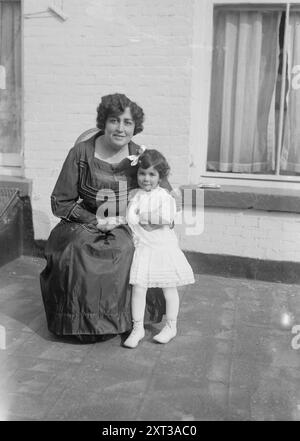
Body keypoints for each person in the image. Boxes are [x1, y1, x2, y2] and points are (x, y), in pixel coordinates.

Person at [40, 93, 174, 343]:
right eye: (114, 120)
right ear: (104, 122)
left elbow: (165, 195)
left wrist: (150, 217)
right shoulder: (81, 152)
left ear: (135, 127)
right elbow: (60, 201)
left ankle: (123, 320)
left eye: (127, 123)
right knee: (76, 250)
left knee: (124, 250)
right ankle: (78, 323)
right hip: (84, 219)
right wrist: (94, 221)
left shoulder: (141, 156)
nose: (120, 128)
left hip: (127, 222)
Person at [123, 150, 195, 349]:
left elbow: (165, 218)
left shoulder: (164, 196)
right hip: (143, 247)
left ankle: (171, 326)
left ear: (160, 177)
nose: (146, 179)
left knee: (168, 287)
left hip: (162, 247)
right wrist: (139, 215)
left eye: (152, 174)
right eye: (142, 173)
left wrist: (142, 215)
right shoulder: (135, 195)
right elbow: (131, 219)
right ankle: (137, 328)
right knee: (139, 287)